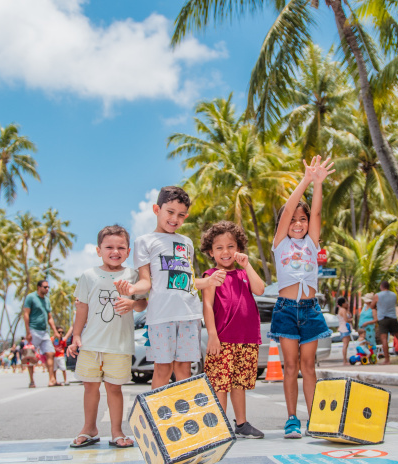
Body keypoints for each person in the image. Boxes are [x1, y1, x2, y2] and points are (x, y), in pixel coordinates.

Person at [115, 186, 225, 388]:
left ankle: (181, 416)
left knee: (184, 368)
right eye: (170, 212)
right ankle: (158, 418)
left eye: (181, 215)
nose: (175, 219)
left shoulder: (186, 242)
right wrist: (131, 289)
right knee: (163, 368)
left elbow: (187, 282)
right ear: (156, 209)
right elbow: (146, 281)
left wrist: (209, 282)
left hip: (189, 314)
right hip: (160, 317)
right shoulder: (144, 241)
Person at [268, 155, 334, 439]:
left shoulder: (311, 241)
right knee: (291, 366)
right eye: (293, 219)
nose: (297, 223)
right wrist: (306, 179)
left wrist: (318, 184)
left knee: (309, 366)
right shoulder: (280, 243)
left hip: (310, 309)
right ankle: (292, 418)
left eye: (302, 219)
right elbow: (286, 215)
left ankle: (315, 419)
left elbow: (317, 213)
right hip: (285, 309)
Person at [68, 225, 147, 448]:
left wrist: (132, 303)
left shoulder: (132, 276)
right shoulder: (88, 276)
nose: (115, 251)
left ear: (128, 251)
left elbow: (142, 303)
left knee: (114, 388)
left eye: (121, 247)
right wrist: (76, 336)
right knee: (90, 386)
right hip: (92, 343)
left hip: (119, 345)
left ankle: (116, 431)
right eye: (109, 247)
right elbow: (81, 307)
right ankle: (89, 429)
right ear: (98, 250)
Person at [201, 220, 266, 439]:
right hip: (222, 340)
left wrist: (247, 265)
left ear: (238, 248)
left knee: (239, 384)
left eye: (230, 246)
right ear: (211, 252)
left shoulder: (243, 274)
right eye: (219, 248)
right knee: (220, 384)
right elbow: (207, 305)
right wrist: (212, 335)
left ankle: (241, 423)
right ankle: (219, 425)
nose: (225, 252)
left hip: (246, 339)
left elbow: (260, 289)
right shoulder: (211, 275)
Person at [23, 279, 60, 387]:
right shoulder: (31, 297)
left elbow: (50, 318)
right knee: (30, 356)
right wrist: (28, 331)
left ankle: (51, 379)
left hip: (44, 332)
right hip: (33, 330)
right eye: (45, 287)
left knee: (50, 353)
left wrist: (55, 331)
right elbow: (26, 314)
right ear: (39, 287)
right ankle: (32, 381)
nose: (47, 289)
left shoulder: (47, 300)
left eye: (48, 287)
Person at [372, 280, 398, 365]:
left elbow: (372, 306)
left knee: (384, 339)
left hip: (383, 318)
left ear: (381, 287)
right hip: (393, 317)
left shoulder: (378, 295)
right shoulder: (393, 295)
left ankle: (387, 359)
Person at [336, 297, 353, 365]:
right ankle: (345, 361)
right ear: (342, 303)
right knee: (345, 345)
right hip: (344, 328)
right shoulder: (343, 310)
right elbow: (346, 319)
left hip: (344, 328)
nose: (347, 303)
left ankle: (345, 360)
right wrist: (351, 320)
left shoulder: (343, 310)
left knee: (346, 344)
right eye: (346, 302)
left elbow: (349, 315)